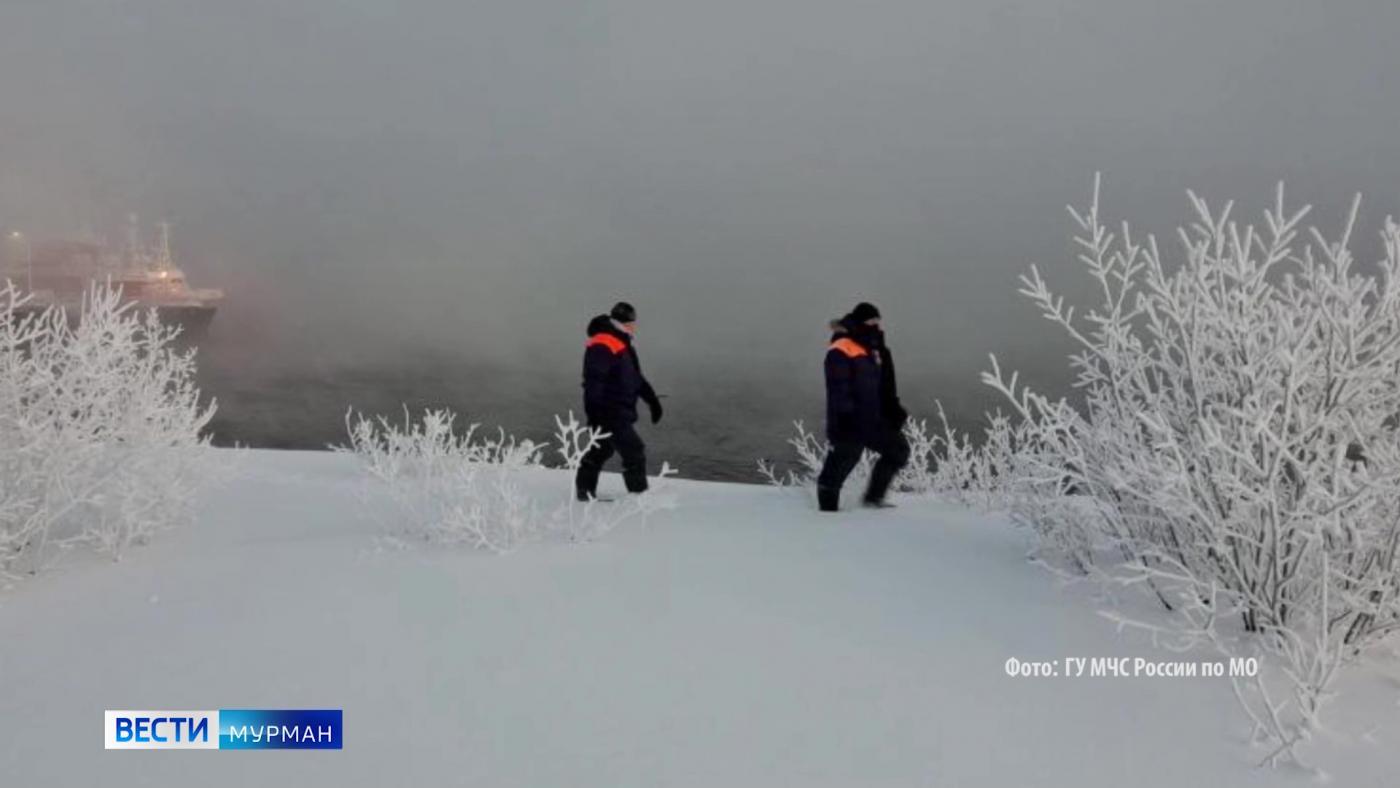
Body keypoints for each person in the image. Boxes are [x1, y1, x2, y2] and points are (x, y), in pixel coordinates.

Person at [816, 301, 910, 512]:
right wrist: (846, 414)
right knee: (842, 462)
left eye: (877, 321)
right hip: (848, 419)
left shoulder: (875, 348)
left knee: (897, 450)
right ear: (859, 322)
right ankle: (826, 514)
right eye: (871, 321)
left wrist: (893, 408)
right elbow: (838, 387)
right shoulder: (841, 347)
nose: (875, 325)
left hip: (873, 419)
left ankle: (873, 500)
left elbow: (884, 384)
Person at [574, 301, 664, 501]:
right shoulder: (603, 343)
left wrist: (652, 400)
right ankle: (638, 497)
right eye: (631, 322)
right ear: (621, 322)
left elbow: (634, 377)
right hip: (609, 411)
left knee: (601, 449)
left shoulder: (621, 341)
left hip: (617, 410)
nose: (634, 326)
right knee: (634, 451)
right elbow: (594, 381)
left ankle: (584, 493)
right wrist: (595, 414)